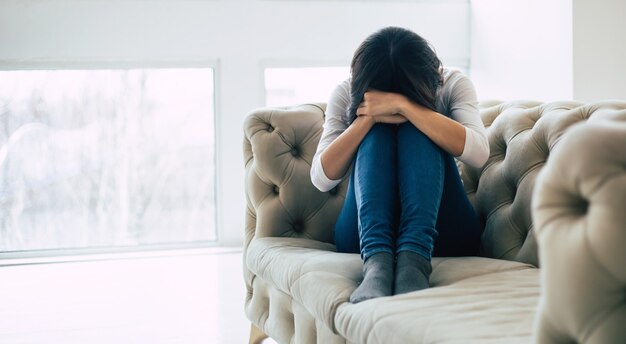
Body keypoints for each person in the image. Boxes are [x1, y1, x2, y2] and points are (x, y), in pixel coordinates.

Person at [310, 27, 489, 303]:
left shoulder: (452, 83)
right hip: (363, 236)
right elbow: (322, 178)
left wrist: (408, 109)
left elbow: (478, 153)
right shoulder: (347, 91)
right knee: (376, 132)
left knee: (420, 129)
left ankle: (414, 260)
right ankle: (377, 265)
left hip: (443, 231)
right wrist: (367, 120)